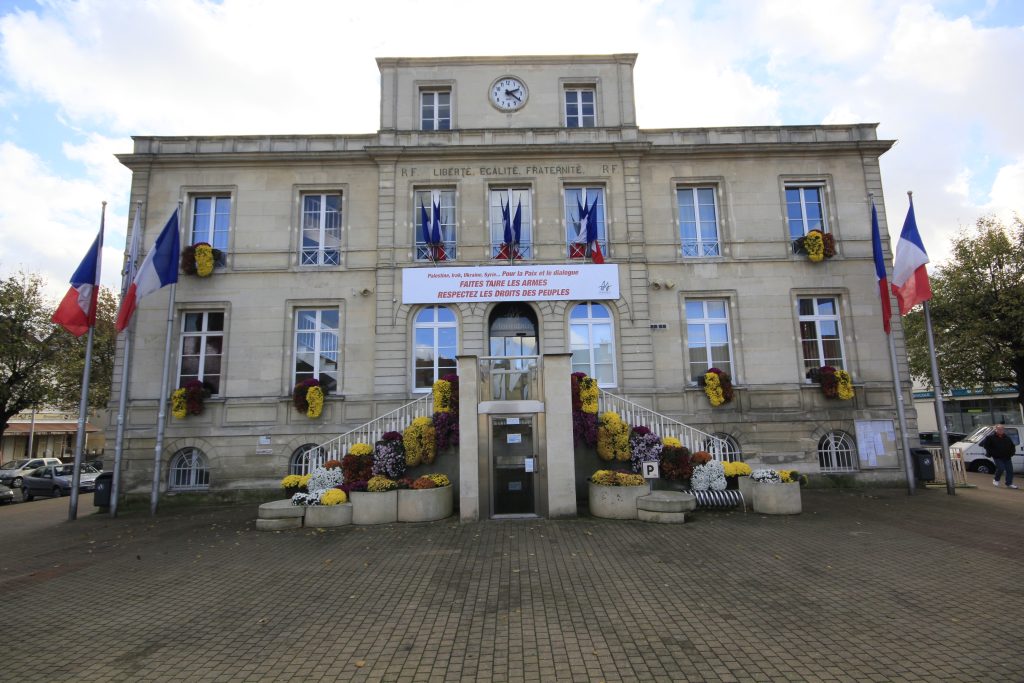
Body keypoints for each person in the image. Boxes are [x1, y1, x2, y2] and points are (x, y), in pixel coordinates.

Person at [980, 424, 1017, 489]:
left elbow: (1012, 446)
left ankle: (1009, 483)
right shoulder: (990, 437)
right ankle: (996, 479)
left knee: (1010, 471)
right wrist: (991, 452)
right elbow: (984, 445)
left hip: (1007, 456)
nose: (1001, 430)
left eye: (1002, 429)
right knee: (1001, 468)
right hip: (997, 457)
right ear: (995, 430)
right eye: (999, 429)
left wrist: (1012, 453)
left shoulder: (1007, 437)